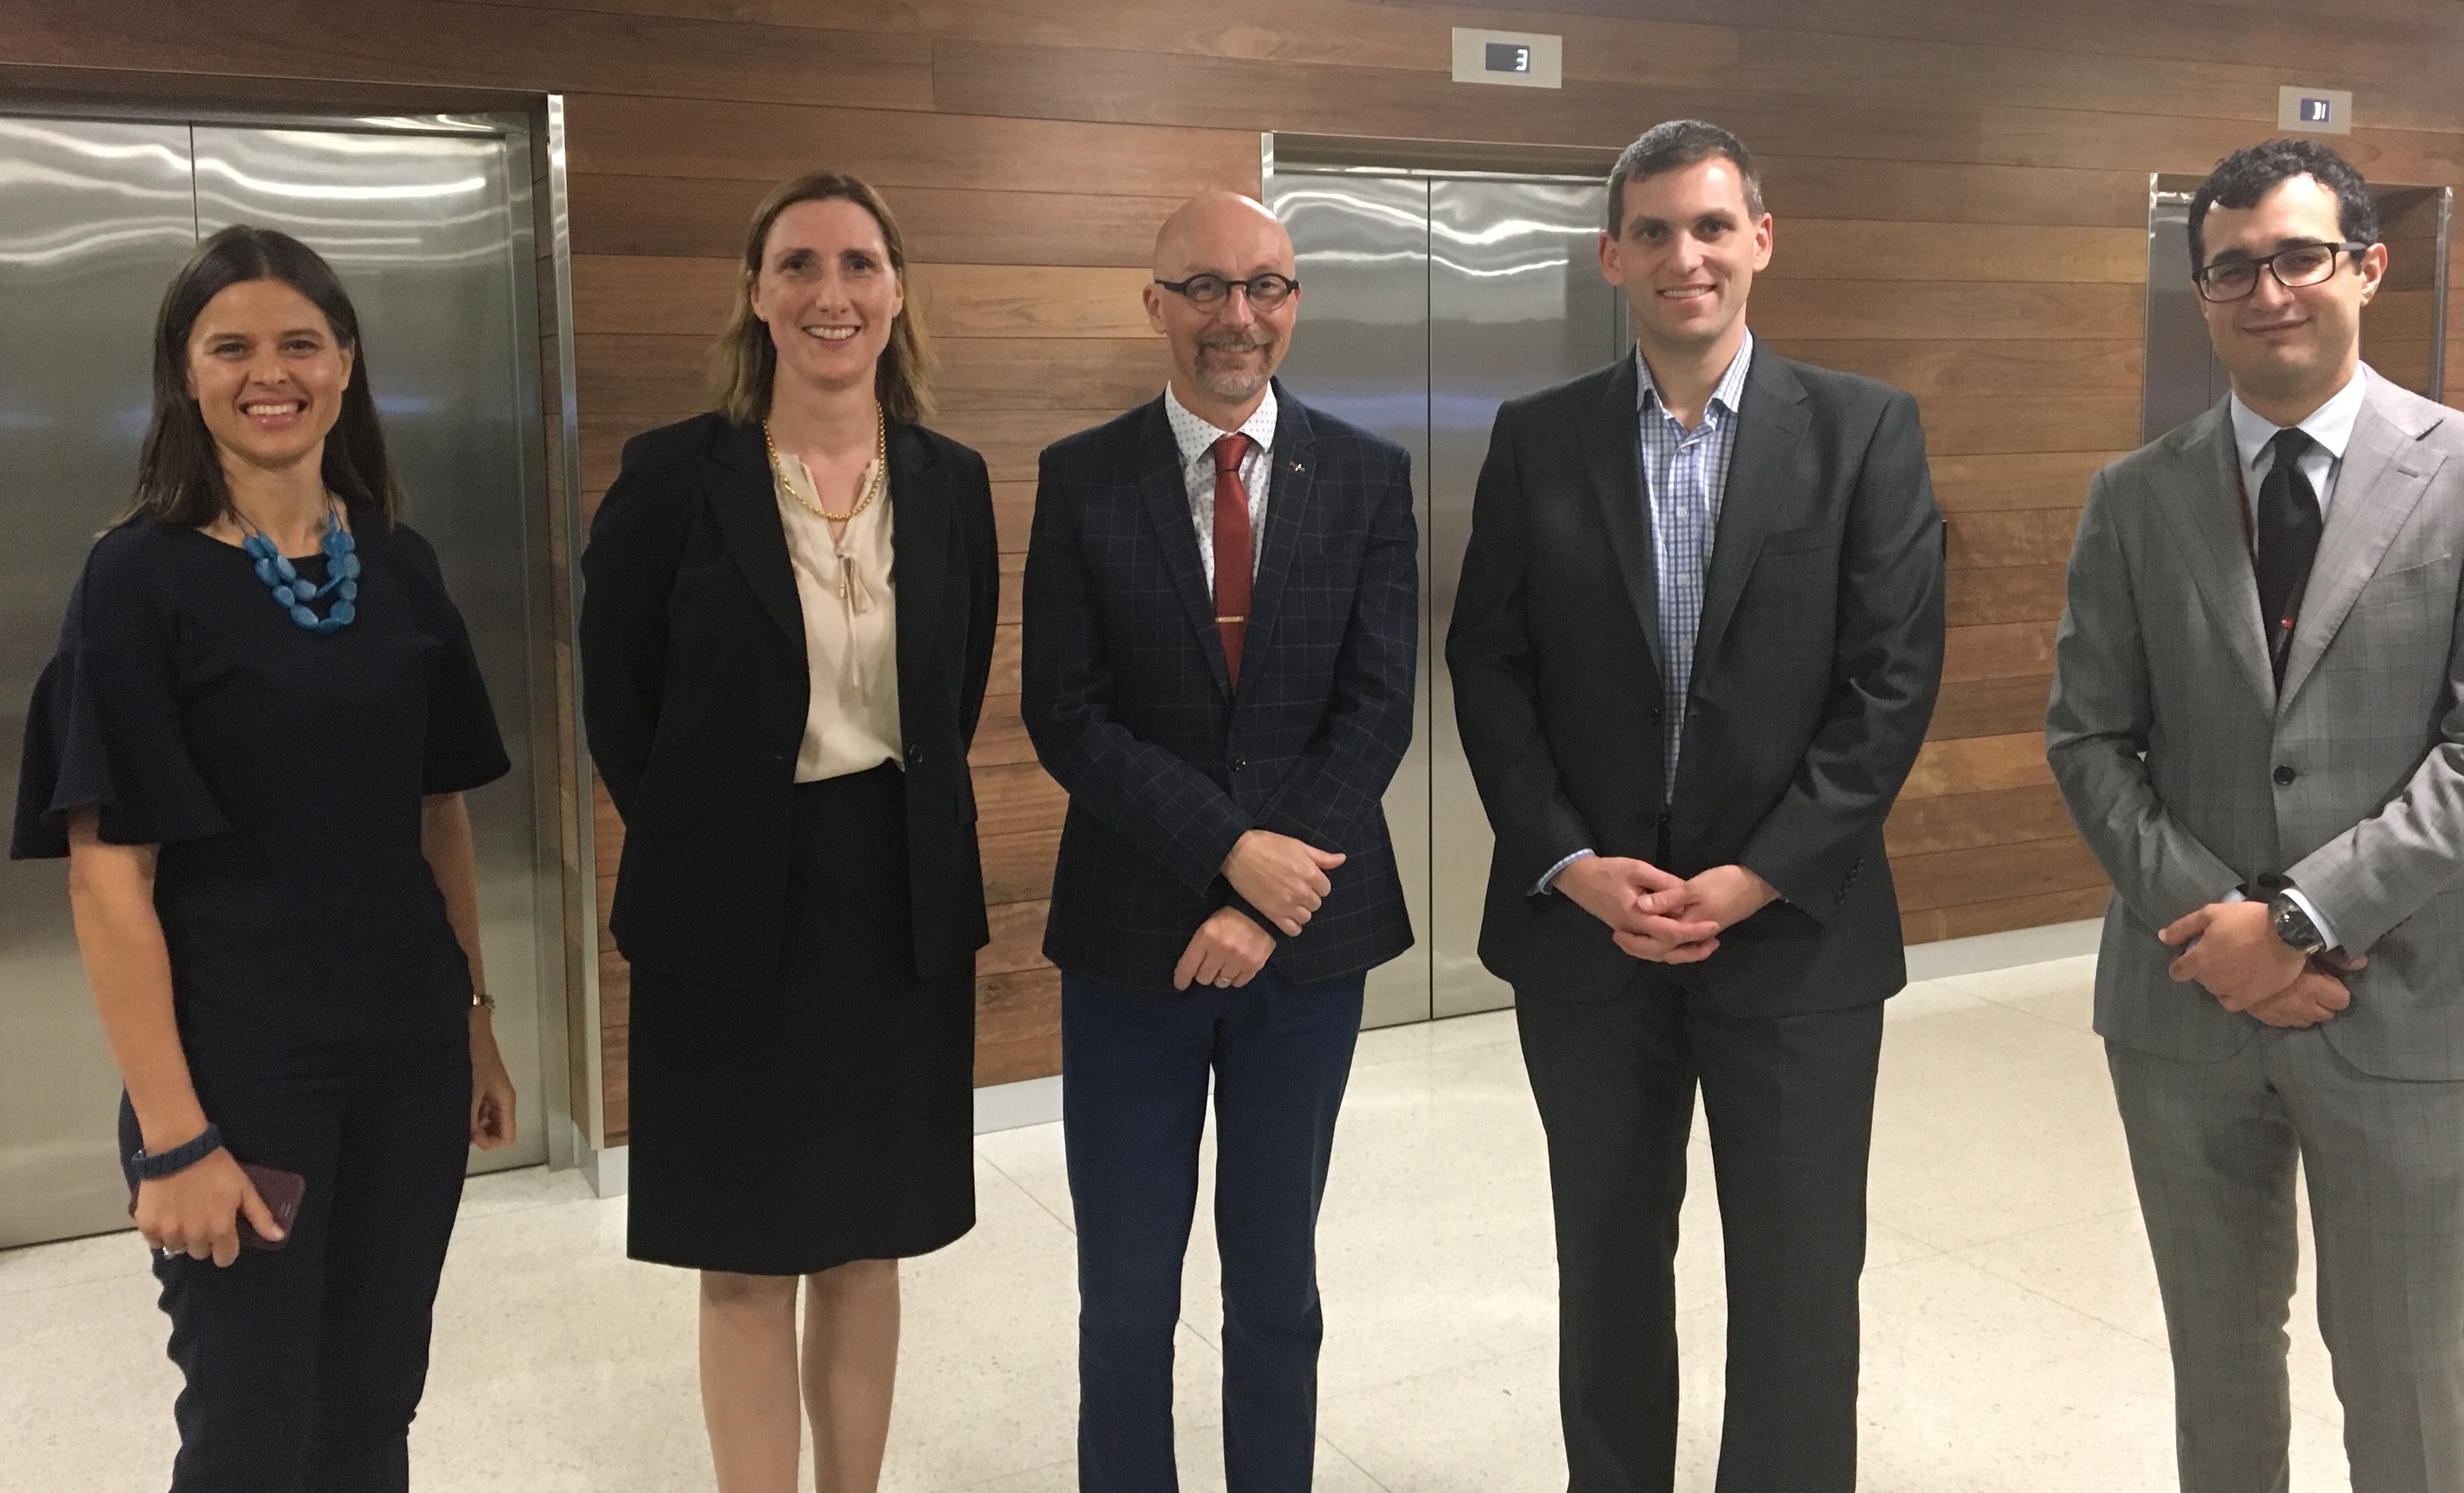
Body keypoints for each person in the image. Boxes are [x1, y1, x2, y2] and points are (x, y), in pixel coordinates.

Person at [1446, 119, 1945, 1492]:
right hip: (1587, 942)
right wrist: (1568, 861)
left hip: (1796, 936)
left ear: (1761, 242)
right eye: (1655, 230)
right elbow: (1488, 665)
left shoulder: (1862, 431)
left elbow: (1891, 682)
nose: (1688, 256)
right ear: (1612, 256)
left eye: (1714, 226)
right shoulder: (1539, 439)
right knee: (1607, 1263)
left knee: (1798, 1283)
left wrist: (1760, 871)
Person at [7, 224, 517, 1492]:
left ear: (346, 364)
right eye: (230, 347)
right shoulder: (136, 581)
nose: (269, 372)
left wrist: (475, 1023)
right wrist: (175, 1136)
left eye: (301, 342)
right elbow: (106, 877)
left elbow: (438, 814)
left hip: (409, 1056)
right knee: (250, 1428)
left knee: (374, 1401)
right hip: (240, 1073)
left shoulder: (399, 564)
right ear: (186, 376)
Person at [2047, 138, 2464, 1493]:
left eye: (2301, 256)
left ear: (2370, 267)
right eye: (2233, 268)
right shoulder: (2134, 497)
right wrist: (2213, 926)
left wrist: (2294, 921)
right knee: (2218, 1361)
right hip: (2183, 1008)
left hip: (2405, 1001)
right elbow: (2090, 737)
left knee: (2409, 1372)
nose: (2268, 290)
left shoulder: (2461, 473)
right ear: (2203, 294)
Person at [579, 172, 997, 1493]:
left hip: (897, 901)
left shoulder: (950, 481)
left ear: (898, 292)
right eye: (801, 264)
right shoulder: (671, 478)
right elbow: (619, 702)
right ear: (756, 295)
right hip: (724, 909)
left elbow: (955, 687)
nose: (833, 293)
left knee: (868, 1245)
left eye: (860, 264)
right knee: (748, 1258)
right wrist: (713, 832)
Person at [1020, 190, 1417, 1491]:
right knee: (1127, 1294)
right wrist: (1228, 856)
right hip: (1131, 944)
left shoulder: (1366, 475)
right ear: (1155, 304)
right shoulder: (1083, 478)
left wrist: (1263, 898)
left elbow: (1379, 706)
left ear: (1294, 302)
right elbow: (1065, 712)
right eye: (1204, 286)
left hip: (1308, 947)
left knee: (1277, 1282)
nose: (1236, 315)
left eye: (1265, 286)